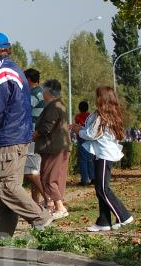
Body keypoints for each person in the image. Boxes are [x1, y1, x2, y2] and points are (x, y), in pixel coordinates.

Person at [0, 32, 52, 239]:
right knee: (9, 189)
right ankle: (1, 235)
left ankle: (40, 217)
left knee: (6, 186)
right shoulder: (16, 70)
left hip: (6, 138)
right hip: (20, 136)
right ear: (9, 49)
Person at [71, 87, 134, 231]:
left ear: (103, 99)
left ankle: (124, 216)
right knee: (100, 188)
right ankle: (104, 221)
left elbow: (92, 134)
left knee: (102, 189)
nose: (96, 99)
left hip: (104, 155)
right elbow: (92, 131)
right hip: (101, 154)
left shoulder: (102, 116)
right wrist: (80, 129)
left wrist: (78, 131)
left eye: (98, 96)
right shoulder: (105, 114)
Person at [34, 80, 71, 220]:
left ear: (48, 92)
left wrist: (32, 136)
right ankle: (57, 206)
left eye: (43, 90)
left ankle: (60, 207)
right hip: (60, 147)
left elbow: (45, 128)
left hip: (53, 148)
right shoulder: (60, 104)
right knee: (57, 178)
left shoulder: (53, 106)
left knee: (48, 178)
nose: (42, 92)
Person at [23, 69, 47, 205]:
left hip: (33, 135)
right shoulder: (40, 92)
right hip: (36, 135)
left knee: (30, 172)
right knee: (34, 171)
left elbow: (23, 108)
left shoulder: (35, 94)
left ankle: (49, 199)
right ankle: (35, 202)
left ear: (28, 79)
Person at [75, 100, 95, 185]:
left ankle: (85, 180)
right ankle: (93, 178)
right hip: (90, 139)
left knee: (82, 160)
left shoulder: (78, 117)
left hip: (81, 139)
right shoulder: (91, 116)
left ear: (79, 108)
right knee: (90, 159)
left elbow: (77, 127)